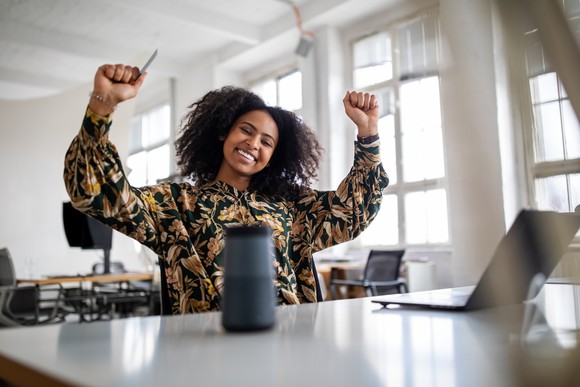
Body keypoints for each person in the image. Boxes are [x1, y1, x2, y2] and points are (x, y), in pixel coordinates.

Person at [64, 64, 389, 314]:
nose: (253, 143)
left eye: (266, 142)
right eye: (245, 131)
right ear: (222, 133)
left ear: (274, 156)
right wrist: (103, 104)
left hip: (289, 349)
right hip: (204, 354)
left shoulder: (292, 206)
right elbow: (96, 193)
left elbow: (353, 211)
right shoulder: (175, 204)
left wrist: (368, 133)